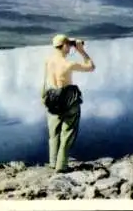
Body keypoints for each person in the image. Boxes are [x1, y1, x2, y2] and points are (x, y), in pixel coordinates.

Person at [42, 34, 95, 173]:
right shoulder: (68, 64)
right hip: (67, 100)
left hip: (51, 97)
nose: (70, 47)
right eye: (68, 44)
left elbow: (44, 80)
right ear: (64, 45)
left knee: (54, 133)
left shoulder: (48, 60)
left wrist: (44, 97)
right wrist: (81, 50)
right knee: (67, 133)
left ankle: (53, 162)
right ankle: (61, 166)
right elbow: (91, 67)